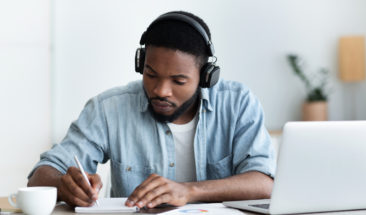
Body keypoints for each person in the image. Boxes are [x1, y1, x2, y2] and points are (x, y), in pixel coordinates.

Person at [27, 11, 276, 209]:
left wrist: (188, 191)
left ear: (205, 77)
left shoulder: (238, 103)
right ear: (140, 64)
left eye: (178, 81)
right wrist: (63, 184)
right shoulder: (109, 108)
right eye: (151, 74)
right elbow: (40, 176)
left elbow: (264, 183)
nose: (160, 90)